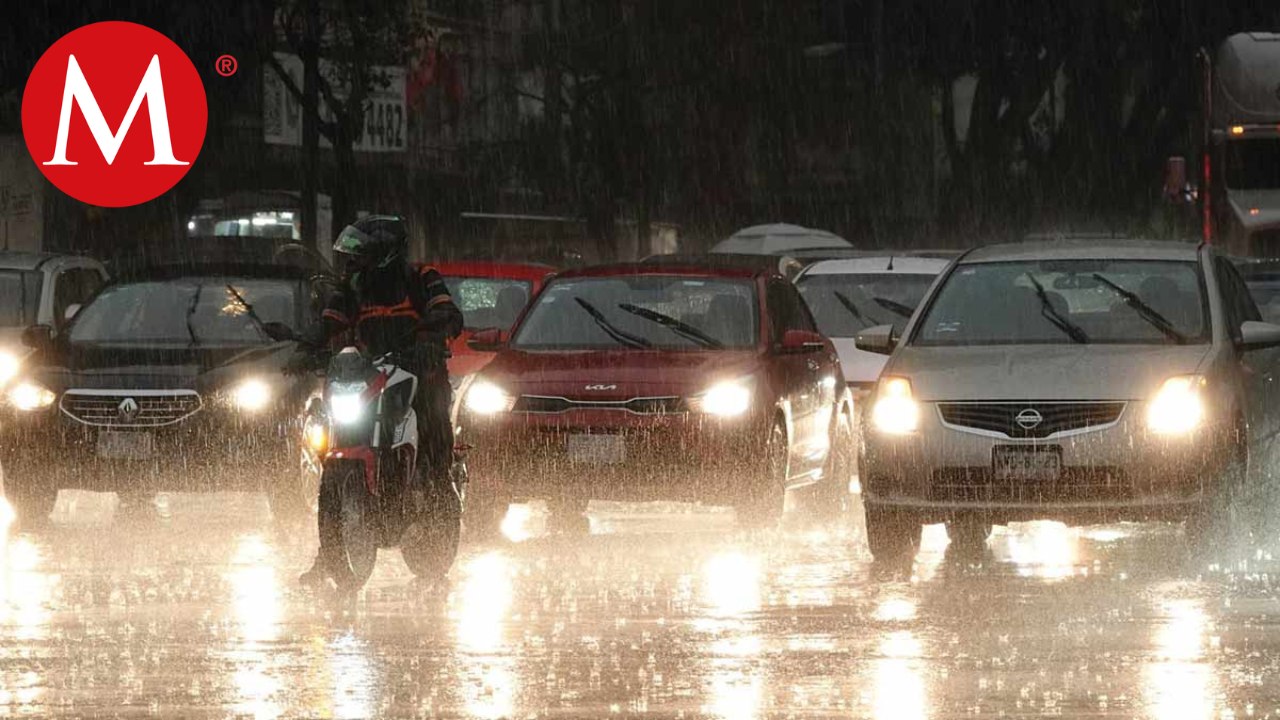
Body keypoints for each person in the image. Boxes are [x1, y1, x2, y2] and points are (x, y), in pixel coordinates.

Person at [293, 215, 463, 586]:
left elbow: (447, 312)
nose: (352, 265)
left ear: (384, 255)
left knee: (433, 438)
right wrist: (306, 346)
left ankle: (434, 501)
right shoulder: (353, 286)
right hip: (368, 379)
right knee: (339, 438)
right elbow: (330, 320)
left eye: (360, 257)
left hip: (421, 378)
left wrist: (431, 336)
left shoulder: (422, 278)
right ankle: (330, 554)